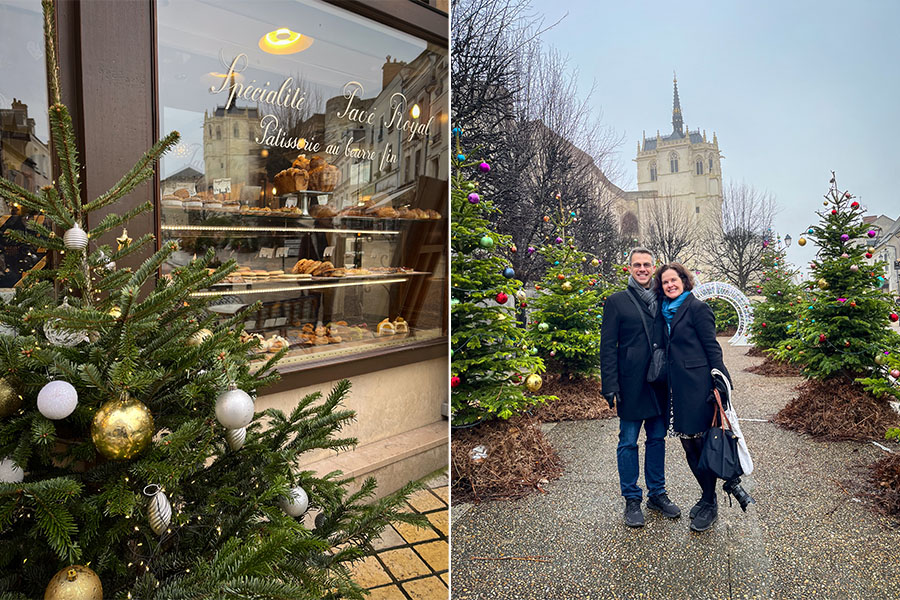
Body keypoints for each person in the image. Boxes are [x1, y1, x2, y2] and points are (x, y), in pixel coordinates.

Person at [653, 262, 754, 533]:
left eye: (674, 280)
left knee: (703, 444)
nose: (670, 285)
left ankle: (710, 502)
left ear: (685, 281)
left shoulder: (698, 309)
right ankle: (706, 495)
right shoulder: (663, 313)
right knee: (688, 446)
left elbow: (712, 348)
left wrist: (721, 382)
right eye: (665, 282)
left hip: (698, 387)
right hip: (675, 389)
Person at [601, 248, 681, 528]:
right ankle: (632, 498)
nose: (643, 269)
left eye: (647, 264)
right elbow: (608, 347)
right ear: (630, 268)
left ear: (653, 267)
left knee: (657, 440)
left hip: (659, 382)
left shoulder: (664, 300)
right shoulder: (617, 302)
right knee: (628, 442)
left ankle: (657, 494)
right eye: (637, 264)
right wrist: (609, 384)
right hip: (631, 383)